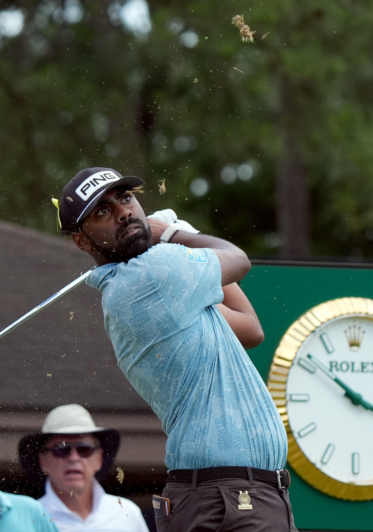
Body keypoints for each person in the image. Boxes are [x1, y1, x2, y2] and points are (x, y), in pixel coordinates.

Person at [53, 167, 295, 532]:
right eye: (103, 212)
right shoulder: (151, 276)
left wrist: (175, 243)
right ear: (82, 241)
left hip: (228, 493)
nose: (124, 212)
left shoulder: (166, 288)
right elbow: (239, 259)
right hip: (227, 497)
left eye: (126, 198)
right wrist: (174, 234)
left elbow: (249, 327)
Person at [18, 404, 148, 532]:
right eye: (61, 449)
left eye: (84, 449)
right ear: (43, 461)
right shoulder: (28, 520)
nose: (74, 458)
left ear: (99, 458)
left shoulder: (127, 513)